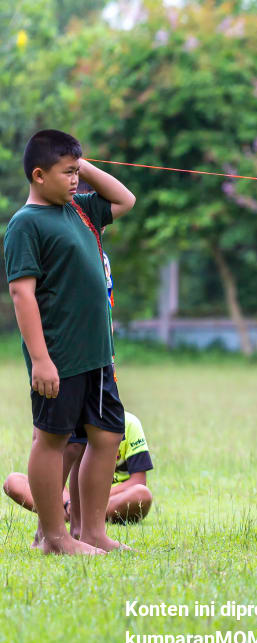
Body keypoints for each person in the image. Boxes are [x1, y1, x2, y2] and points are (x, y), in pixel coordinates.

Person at [4, 129, 136, 554]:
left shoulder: (79, 209)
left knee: (107, 436)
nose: (75, 179)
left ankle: (92, 532)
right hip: (58, 356)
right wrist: (41, 360)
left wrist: (83, 165)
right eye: (67, 172)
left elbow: (125, 200)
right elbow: (22, 293)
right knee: (53, 439)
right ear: (39, 175)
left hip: (97, 354)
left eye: (77, 171)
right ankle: (55, 537)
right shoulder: (25, 224)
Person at [3, 411, 155, 536]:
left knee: (142, 495)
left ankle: (75, 514)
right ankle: (75, 513)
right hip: (69, 498)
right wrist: (70, 502)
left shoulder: (130, 423)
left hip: (113, 498)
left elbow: (138, 481)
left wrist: (90, 500)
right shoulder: (73, 422)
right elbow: (56, 473)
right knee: (13, 481)